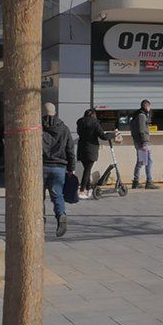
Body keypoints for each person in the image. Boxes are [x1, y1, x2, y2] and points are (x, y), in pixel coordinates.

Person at [41, 102, 75, 238]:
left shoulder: (38, 127)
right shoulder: (64, 128)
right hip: (59, 167)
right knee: (57, 194)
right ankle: (61, 215)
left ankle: (40, 221)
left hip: (41, 166)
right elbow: (70, 149)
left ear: (43, 112)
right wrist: (71, 168)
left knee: (38, 197)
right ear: (55, 112)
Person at [77, 107, 108, 193]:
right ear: (93, 115)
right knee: (87, 170)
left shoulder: (80, 122)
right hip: (91, 149)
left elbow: (79, 133)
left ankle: (88, 187)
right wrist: (113, 135)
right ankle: (82, 189)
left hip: (82, 148)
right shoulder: (95, 123)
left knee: (87, 169)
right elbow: (103, 136)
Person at [130, 99, 157, 189]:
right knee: (148, 161)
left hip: (139, 141)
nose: (150, 108)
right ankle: (149, 182)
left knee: (141, 162)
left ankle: (136, 181)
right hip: (143, 142)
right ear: (146, 106)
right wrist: (144, 143)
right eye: (149, 106)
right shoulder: (142, 116)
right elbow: (142, 130)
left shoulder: (136, 115)